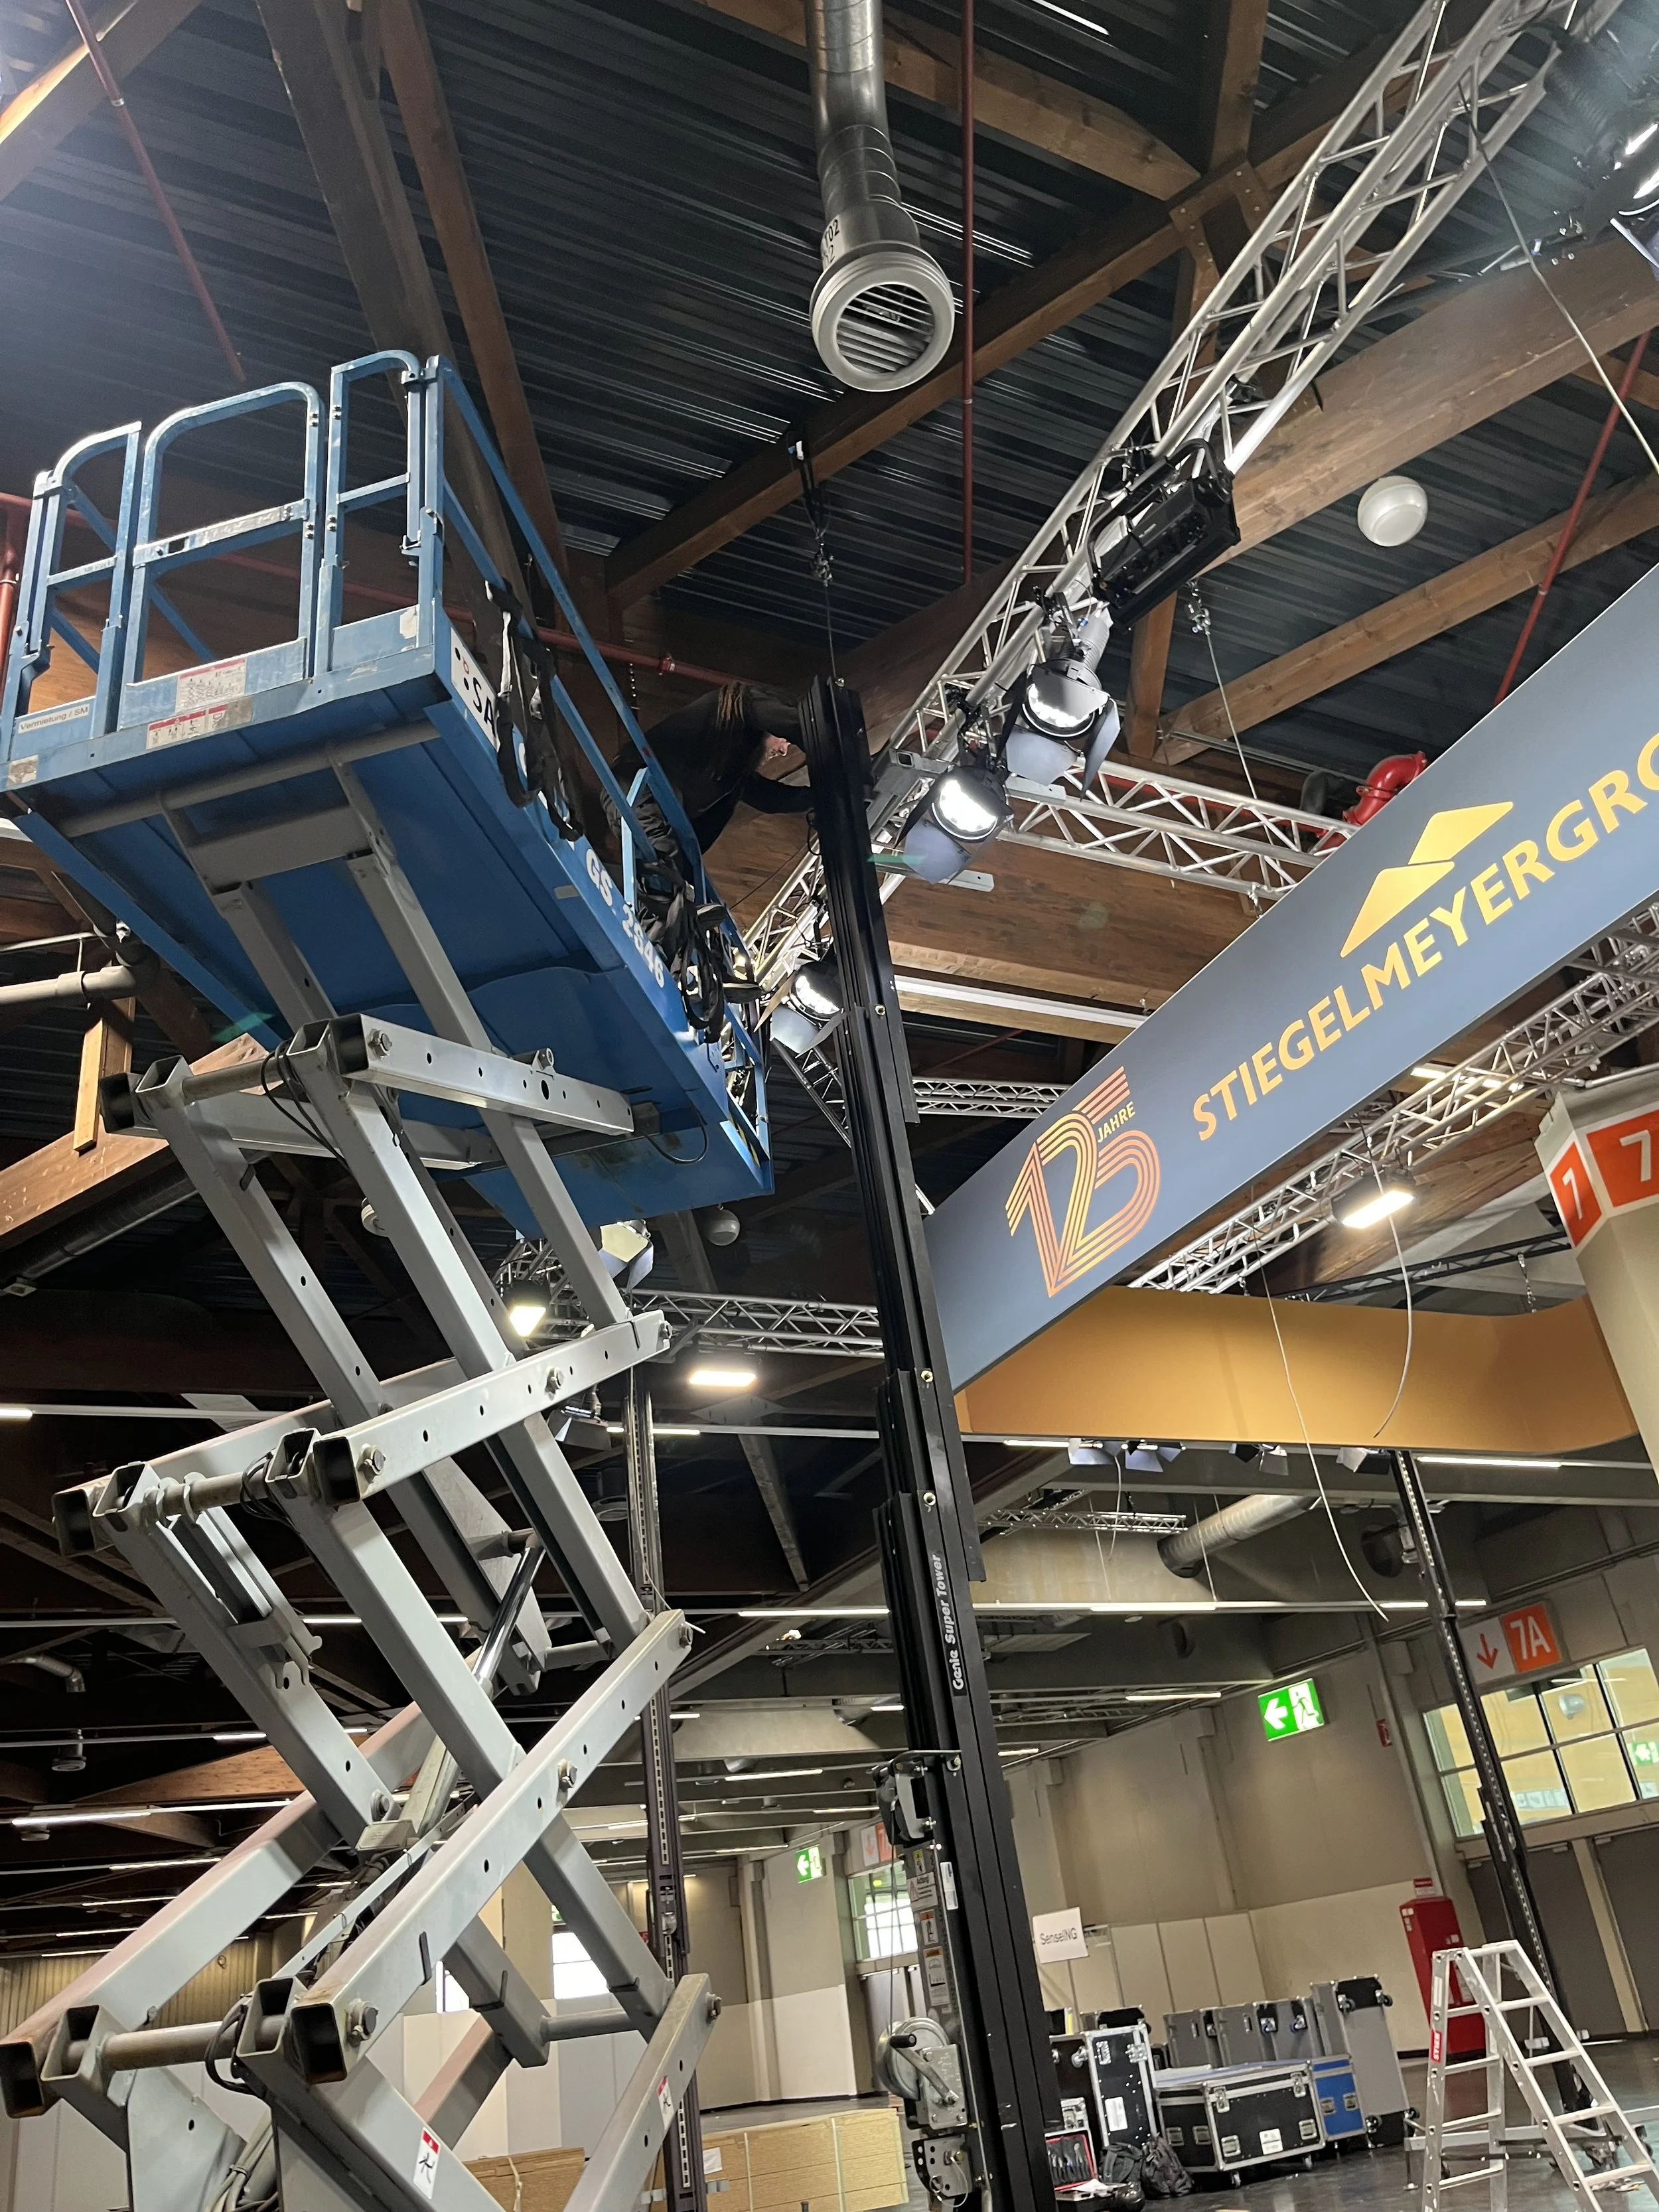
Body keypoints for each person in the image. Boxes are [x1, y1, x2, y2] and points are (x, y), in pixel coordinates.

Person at [634, 682, 814, 855]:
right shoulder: (739, 704)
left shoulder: (729, 767)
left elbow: (767, 796)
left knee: (672, 870)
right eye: (785, 741)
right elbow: (780, 719)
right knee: (666, 868)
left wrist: (818, 800)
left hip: (656, 810)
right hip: (642, 792)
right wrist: (822, 742)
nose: (783, 751)